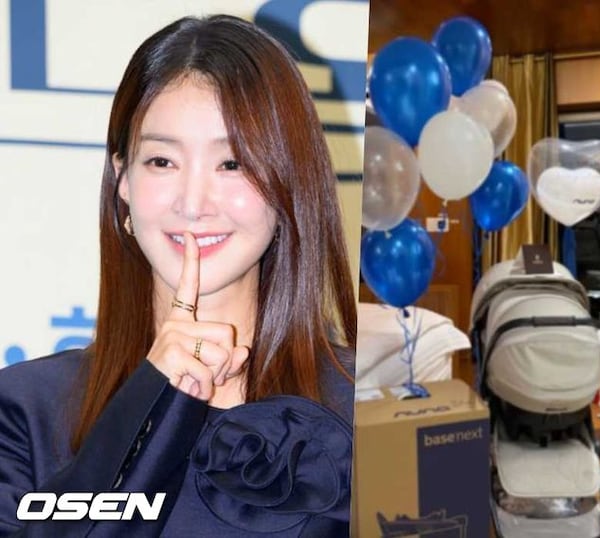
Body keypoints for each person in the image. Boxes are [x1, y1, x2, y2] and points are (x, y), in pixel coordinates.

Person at [0, 14, 357, 537]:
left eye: (233, 163)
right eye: (162, 161)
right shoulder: (26, 409)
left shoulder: (358, 402)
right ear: (122, 179)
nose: (193, 204)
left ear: (288, 181)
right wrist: (150, 398)